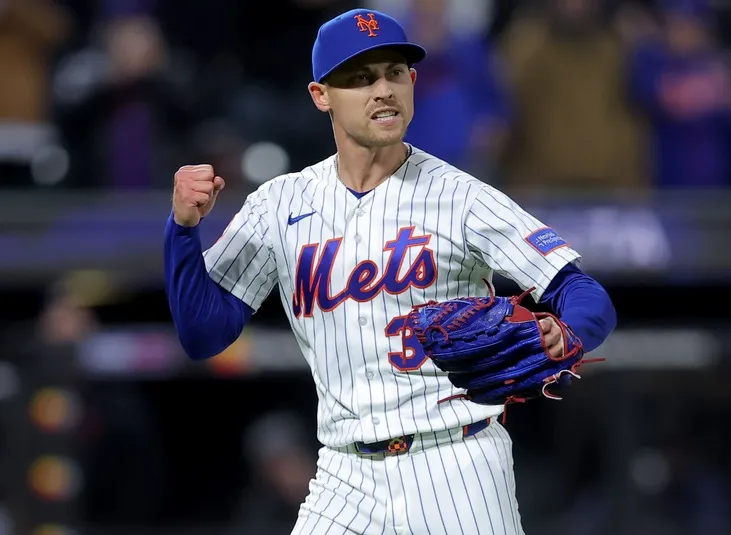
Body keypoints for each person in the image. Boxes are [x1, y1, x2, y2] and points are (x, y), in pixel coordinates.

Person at [164, 8, 617, 534]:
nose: (383, 89)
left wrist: (564, 332)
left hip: (458, 465)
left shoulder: (460, 197)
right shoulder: (279, 205)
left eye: (394, 73)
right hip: (342, 474)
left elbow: (583, 293)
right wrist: (181, 230)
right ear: (321, 96)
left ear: (413, 82)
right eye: (360, 78)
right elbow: (203, 334)